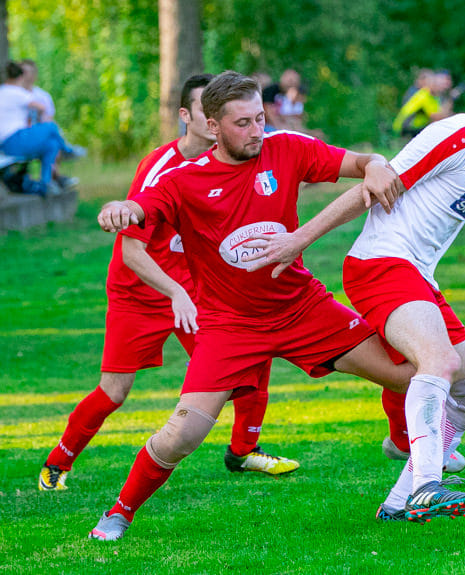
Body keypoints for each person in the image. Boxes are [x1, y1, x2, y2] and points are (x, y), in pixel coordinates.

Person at [242, 64, 465, 522]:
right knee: (440, 362)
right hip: (381, 264)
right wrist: (299, 239)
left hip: (417, 276)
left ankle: (401, 497)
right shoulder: (460, 134)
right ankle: (426, 484)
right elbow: (374, 185)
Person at [89, 71, 416, 541]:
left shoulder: (287, 148)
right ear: (212, 126)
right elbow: (138, 211)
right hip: (229, 326)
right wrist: (117, 208)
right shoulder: (183, 181)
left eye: (260, 118)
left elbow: (361, 162)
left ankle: (406, 447)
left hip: (302, 307)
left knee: (408, 374)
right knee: (181, 435)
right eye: (243, 123)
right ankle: (119, 513)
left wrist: (379, 163)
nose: (257, 131)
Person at [38, 74, 299, 493]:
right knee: (115, 390)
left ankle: (243, 451)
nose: (217, 121)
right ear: (190, 117)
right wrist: (176, 291)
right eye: (206, 112)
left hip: (193, 291)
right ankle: (58, 462)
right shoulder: (161, 168)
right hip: (140, 291)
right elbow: (131, 252)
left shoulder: (236, 161)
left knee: (251, 355)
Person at [0, 61, 84, 196]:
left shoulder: (4, 91)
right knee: (50, 127)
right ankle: (68, 150)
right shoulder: (15, 91)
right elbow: (42, 108)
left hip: (11, 142)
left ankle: (46, 183)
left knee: (51, 145)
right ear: (20, 77)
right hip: (14, 140)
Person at [391, 69, 455, 139]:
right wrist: (450, 99)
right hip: (406, 128)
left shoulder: (434, 97)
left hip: (414, 128)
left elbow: (441, 114)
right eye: (436, 84)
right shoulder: (424, 95)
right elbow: (437, 117)